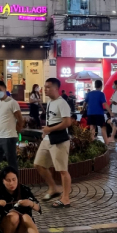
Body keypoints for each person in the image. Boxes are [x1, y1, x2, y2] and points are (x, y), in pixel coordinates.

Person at [35, 78, 73, 208]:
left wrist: (49, 129)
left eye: (48, 87)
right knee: (38, 164)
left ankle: (65, 198)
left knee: (63, 170)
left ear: (56, 88)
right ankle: (53, 188)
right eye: (44, 87)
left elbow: (68, 122)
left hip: (59, 140)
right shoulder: (50, 102)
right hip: (48, 138)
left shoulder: (62, 103)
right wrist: (46, 131)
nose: (45, 89)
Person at [0, 80, 24, 189]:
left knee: (12, 164)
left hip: (9, 138)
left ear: (5, 89)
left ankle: (16, 187)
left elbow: (20, 120)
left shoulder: (12, 103)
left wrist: (16, 132)